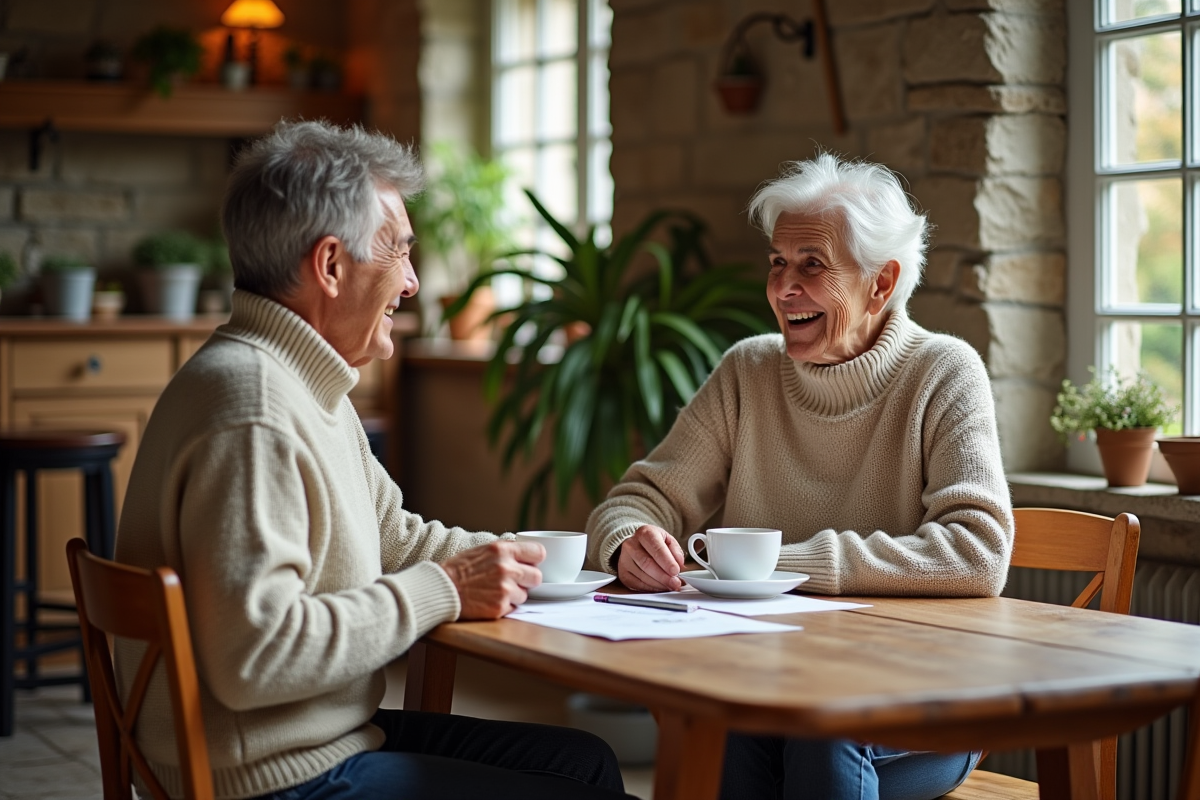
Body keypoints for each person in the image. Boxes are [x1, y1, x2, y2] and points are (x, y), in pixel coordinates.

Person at [114, 120, 632, 800]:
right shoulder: (255, 407)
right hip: (270, 778)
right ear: (329, 266)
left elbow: (399, 538)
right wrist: (445, 591)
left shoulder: (299, 383)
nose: (413, 282)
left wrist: (554, 570)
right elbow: (256, 655)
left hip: (315, 740)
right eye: (399, 252)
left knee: (583, 763)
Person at [585, 153, 1014, 800]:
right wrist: (629, 542)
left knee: (820, 724)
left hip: (920, 701)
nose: (784, 288)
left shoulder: (944, 373)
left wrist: (784, 568)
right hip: (770, 686)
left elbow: (976, 552)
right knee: (725, 720)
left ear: (880, 281)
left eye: (812, 265)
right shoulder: (747, 372)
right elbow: (638, 499)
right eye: (777, 264)